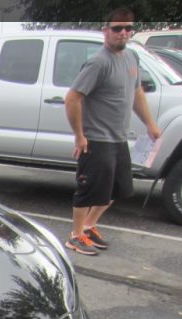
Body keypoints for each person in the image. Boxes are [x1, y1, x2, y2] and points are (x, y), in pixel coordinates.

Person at [64, 7, 161, 255]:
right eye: (117, 28)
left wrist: (150, 124)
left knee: (117, 189)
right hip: (96, 139)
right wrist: (79, 134)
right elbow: (73, 98)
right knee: (88, 191)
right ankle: (75, 236)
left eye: (128, 28)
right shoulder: (98, 62)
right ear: (105, 31)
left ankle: (88, 227)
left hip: (118, 138)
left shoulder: (132, 58)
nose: (123, 33)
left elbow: (137, 92)